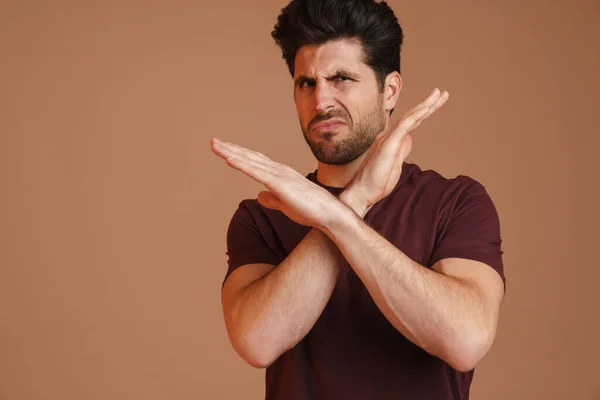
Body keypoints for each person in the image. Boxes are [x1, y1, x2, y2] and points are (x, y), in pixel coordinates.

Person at [211, 0, 506, 398]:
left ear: (390, 90)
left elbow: (466, 340)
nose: (321, 101)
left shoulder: (456, 201)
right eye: (306, 83)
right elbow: (257, 342)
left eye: (342, 79)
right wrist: (358, 200)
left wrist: (338, 216)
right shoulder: (263, 215)